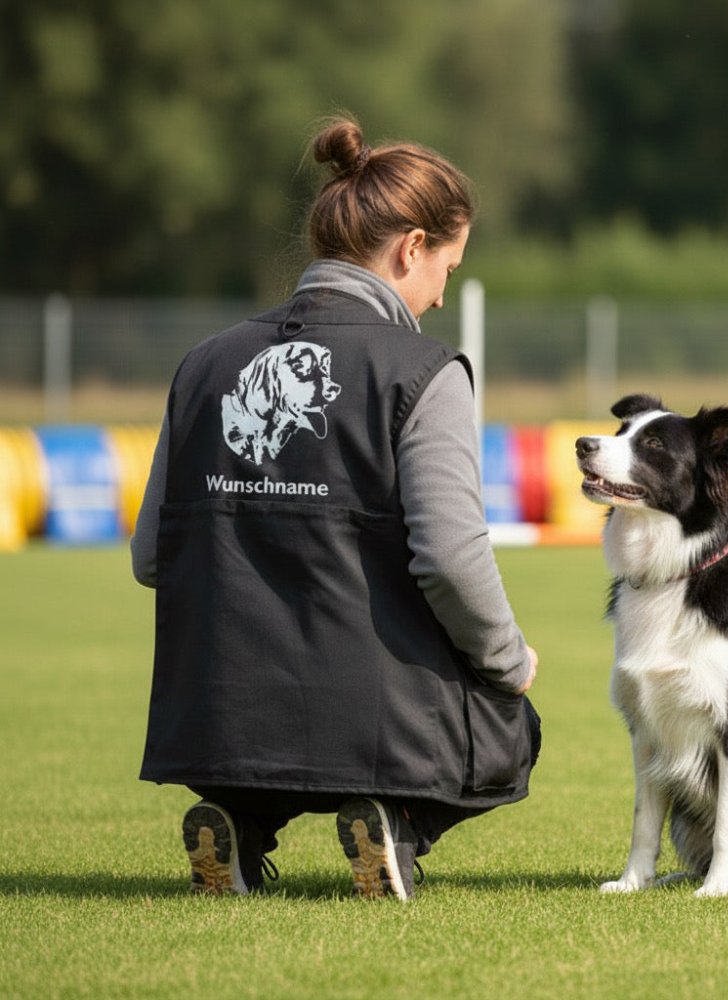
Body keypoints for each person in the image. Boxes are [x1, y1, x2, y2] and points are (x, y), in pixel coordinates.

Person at [131, 114, 540, 901]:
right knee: (512, 724)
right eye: (447, 269)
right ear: (411, 248)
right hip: (376, 722)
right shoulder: (424, 371)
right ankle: (396, 820)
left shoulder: (203, 364)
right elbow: (450, 561)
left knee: (272, 731)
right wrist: (510, 663)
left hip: (220, 722)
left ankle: (242, 822)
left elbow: (153, 556)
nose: (441, 295)